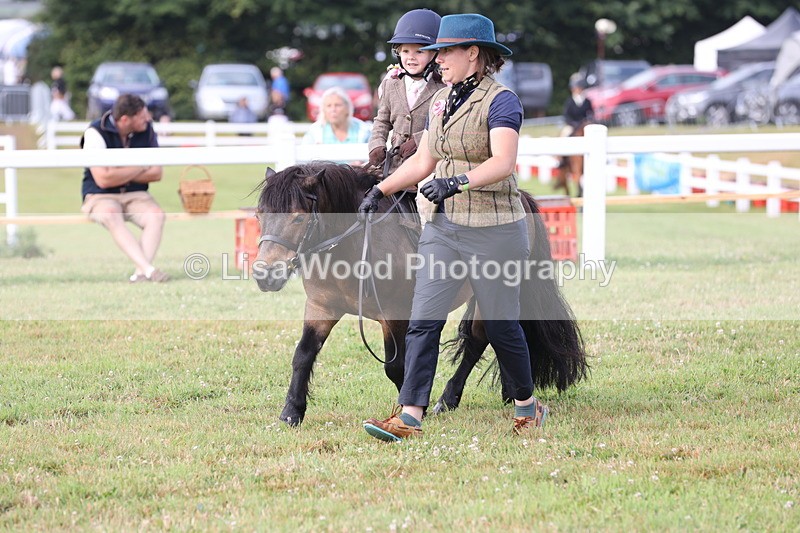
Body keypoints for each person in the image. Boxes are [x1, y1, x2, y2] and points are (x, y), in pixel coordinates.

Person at [359, 13, 548, 441]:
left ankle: (527, 405)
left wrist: (458, 180)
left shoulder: (502, 101)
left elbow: (503, 162)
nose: (436, 59)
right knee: (423, 319)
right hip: (443, 229)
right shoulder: (441, 100)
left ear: (473, 54)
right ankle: (410, 416)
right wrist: (381, 190)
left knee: (500, 325)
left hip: (495, 229)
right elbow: (424, 160)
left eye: (444, 51)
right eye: (436, 52)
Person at [80, 94, 168, 283]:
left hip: (135, 194)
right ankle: (148, 269)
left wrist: (118, 171)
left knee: (156, 215)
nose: (148, 119)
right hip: (100, 195)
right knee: (111, 213)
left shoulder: (147, 130)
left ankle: (140, 273)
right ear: (126, 119)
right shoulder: (95, 132)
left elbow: (157, 173)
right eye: (142, 116)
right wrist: (140, 166)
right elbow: (103, 179)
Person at [368, 9, 445, 175]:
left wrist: (418, 141)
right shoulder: (391, 84)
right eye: (405, 51)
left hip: (429, 168)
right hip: (394, 166)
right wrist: (377, 145)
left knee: (427, 201)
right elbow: (381, 121)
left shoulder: (444, 88)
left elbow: (444, 127)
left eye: (419, 51)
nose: (411, 57)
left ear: (434, 54)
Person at [301, 86, 371, 145]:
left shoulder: (363, 130)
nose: (333, 109)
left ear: (347, 108)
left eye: (337, 105)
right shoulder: (315, 131)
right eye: (328, 106)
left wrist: (362, 161)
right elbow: (304, 156)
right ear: (323, 110)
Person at [561, 72, 593, 137]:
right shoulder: (570, 101)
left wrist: (587, 120)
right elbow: (566, 116)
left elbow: (591, 113)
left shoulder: (587, 101)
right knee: (565, 133)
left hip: (584, 124)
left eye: (579, 88)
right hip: (572, 125)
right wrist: (573, 124)